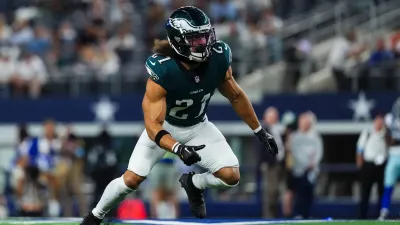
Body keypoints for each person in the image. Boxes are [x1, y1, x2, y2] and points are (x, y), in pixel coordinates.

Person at [81, 6, 278, 225]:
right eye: (196, 39)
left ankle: (194, 183)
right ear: (178, 40)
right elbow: (153, 125)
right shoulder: (163, 70)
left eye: (205, 36)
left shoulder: (219, 57)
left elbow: (237, 97)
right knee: (131, 180)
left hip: (197, 125)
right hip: (165, 128)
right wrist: (177, 148)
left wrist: (259, 131)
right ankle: (95, 215)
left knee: (231, 176)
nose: (203, 44)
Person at [289, 112, 323, 219]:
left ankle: (307, 214)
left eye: (306, 122)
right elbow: (295, 153)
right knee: (300, 193)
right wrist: (306, 163)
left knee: (310, 193)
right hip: (300, 170)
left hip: (312, 170)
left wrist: (314, 163)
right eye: (302, 122)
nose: (304, 124)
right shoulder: (295, 136)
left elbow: (319, 151)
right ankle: (298, 213)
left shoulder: (315, 136)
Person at [357, 114, 387, 219]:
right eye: (378, 121)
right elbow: (360, 148)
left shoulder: (386, 134)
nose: (379, 124)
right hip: (368, 165)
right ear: (375, 122)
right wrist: (360, 164)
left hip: (381, 166)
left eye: (381, 122)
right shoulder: (368, 132)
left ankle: (380, 216)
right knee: (365, 192)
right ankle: (362, 216)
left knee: (381, 192)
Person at [259, 107, 285, 218]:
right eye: (271, 116)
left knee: (278, 192)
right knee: (270, 192)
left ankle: (277, 216)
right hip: (270, 165)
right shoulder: (262, 129)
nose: (274, 118)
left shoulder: (280, 129)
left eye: (274, 116)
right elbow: (260, 149)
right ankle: (268, 216)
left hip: (280, 164)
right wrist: (263, 163)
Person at [379, 99, 400, 220]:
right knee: (388, 184)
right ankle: (384, 210)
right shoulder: (390, 118)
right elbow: (387, 137)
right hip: (393, 154)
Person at [149, 152, 179, 219]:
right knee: (156, 190)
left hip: (171, 164)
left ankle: (175, 217)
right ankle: (154, 217)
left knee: (171, 191)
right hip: (156, 163)